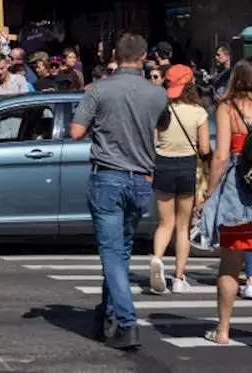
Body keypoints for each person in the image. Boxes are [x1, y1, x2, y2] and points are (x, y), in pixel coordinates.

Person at [70, 33, 170, 350]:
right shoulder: (156, 93)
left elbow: (75, 132)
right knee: (121, 252)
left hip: (108, 177)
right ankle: (107, 315)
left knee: (112, 254)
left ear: (114, 55)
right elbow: (163, 124)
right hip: (141, 180)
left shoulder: (99, 89)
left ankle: (126, 322)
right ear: (144, 58)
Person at [198, 59, 252, 344]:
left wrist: (208, 192)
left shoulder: (226, 107)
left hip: (237, 192)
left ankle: (223, 329)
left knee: (230, 264)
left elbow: (220, 156)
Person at [148, 65, 209, 295]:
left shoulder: (163, 109)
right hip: (187, 166)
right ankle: (179, 278)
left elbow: (154, 141)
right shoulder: (198, 112)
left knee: (165, 223)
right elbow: (204, 148)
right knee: (183, 226)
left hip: (163, 165)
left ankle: (157, 259)